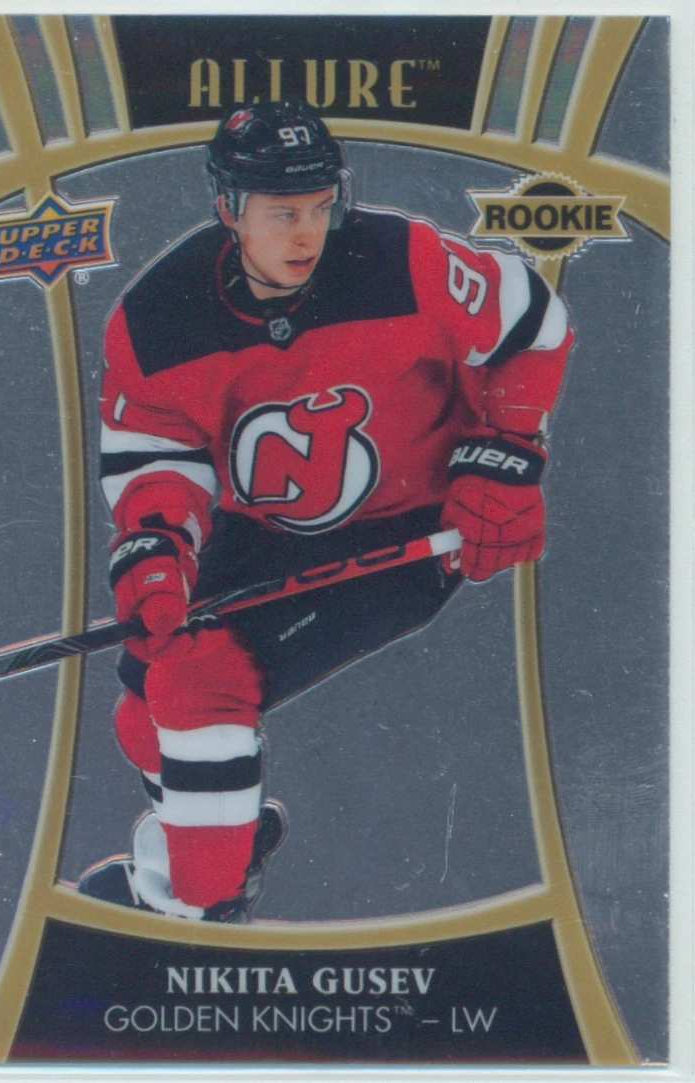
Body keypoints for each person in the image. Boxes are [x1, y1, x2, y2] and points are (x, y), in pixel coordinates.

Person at [78, 98, 572, 922]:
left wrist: (503, 458)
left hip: (406, 531)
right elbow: (154, 451)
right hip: (257, 534)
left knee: (200, 682)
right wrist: (157, 547)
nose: (307, 233)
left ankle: (201, 905)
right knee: (142, 705)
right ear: (228, 206)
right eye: (282, 213)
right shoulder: (156, 315)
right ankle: (225, 833)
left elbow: (534, 324)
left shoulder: (402, 260)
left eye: (318, 206)